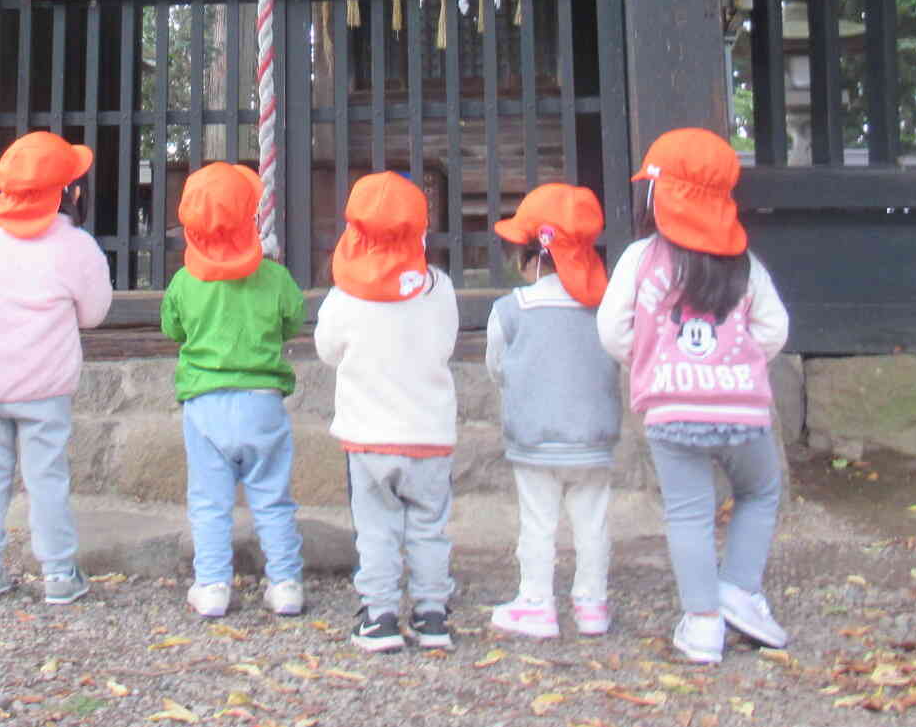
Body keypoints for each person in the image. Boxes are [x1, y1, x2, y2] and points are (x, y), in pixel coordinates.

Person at [597, 128, 791, 666]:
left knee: (688, 513)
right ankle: (740, 589)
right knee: (758, 492)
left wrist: (653, 360)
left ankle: (703, 624)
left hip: (671, 408)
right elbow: (774, 330)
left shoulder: (642, 257)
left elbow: (613, 330)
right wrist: (736, 366)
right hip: (742, 407)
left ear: (657, 196)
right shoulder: (744, 263)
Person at [0, 131, 112, 605]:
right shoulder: (75, 246)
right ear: (69, 194)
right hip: (42, 386)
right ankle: (59, 573)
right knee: (45, 476)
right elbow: (94, 314)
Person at [314, 171, 460, 653]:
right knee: (428, 527)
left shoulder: (345, 296)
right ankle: (431, 614)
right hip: (429, 434)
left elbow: (326, 350)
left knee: (376, 528)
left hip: (369, 436)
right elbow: (447, 344)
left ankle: (378, 616)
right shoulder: (439, 288)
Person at [160, 162, 307, 618]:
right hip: (262, 401)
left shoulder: (185, 282)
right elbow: (293, 322)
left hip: (204, 404)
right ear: (251, 217)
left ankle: (213, 586)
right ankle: (285, 584)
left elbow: (172, 328)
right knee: (272, 496)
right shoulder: (275, 278)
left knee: (209, 501)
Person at [484, 183, 619, 640]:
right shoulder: (605, 307)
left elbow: (496, 366)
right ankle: (592, 605)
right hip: (594, 438)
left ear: (534, 255)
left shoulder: (510, 310)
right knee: (593, 521)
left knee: (537, 521)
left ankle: (537, 602)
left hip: (535, 437)